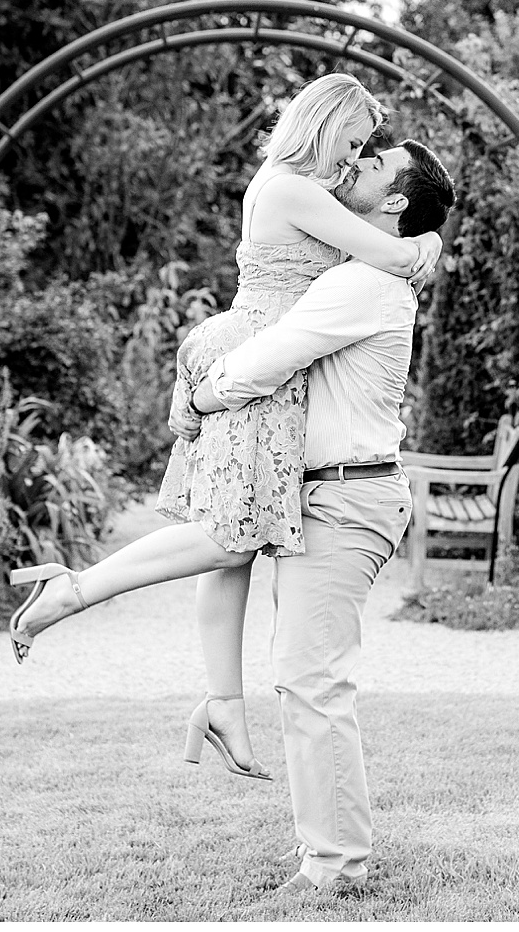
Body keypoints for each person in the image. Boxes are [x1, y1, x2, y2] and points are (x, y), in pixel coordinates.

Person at [5, 74, 442, 782]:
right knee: (226, 535)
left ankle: (223, 703)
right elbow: (393, 256)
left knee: (232, 544)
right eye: (354, 141)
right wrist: (431, 242)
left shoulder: (300, 185)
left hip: (257, 354)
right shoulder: (293, 188)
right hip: (255, 358)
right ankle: (74, 589)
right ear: (325, 124)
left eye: (366, 149)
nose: (356, 155)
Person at [176, 137, 456, 894]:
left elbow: (272, 356)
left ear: (393, 201)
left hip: (345, 496)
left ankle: (334, 866)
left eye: (375, 165)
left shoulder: (362, 282)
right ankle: (326, 847)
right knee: (305, 678)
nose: (357, 163)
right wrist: (427, 242)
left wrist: (199, 398)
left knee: (312, 681)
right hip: (334, 494)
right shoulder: (365, 268)